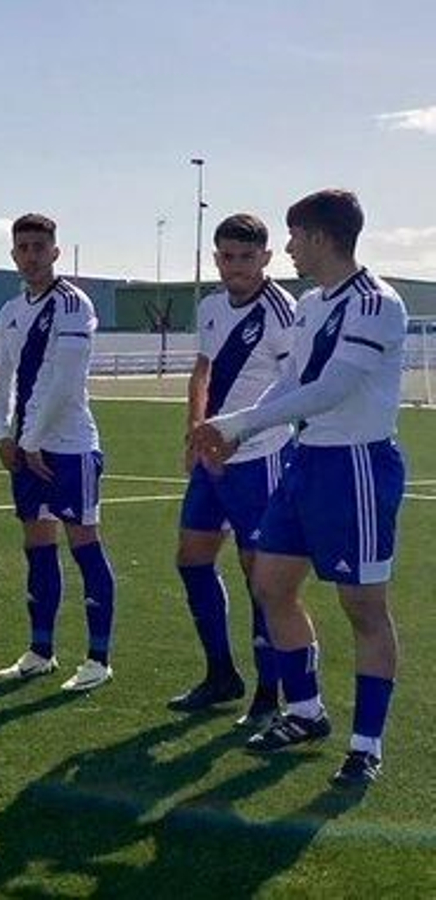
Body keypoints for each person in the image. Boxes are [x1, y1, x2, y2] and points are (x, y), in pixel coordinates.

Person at [192, 189, 407, 788]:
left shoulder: (375, 304)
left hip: (357, 467)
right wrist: (237, 431)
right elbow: (289, 381)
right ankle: (306, 711)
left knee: (363, 608)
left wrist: (238, 425)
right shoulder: (312, 304)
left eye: (292, 236)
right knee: (272, 583)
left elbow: (331, 390)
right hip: (305, 462)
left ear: (319, 237)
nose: (286, 248)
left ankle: (366, 744)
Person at [170, 213, 296, 726]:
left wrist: (235, 434)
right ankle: (222, 674)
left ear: (266, 258)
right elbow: (203, 370)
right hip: (212, 458)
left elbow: (291, 388)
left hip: (257, 457)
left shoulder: (283, 313)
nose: (236, 267)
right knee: (192, 559)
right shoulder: (211, 306)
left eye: (246, 257)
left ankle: (271, 694)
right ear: (215, 257)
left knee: (261, 578)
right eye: (227, 256)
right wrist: (196, 431)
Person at [0, 213, 117, 693]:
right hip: (27, 447)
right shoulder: (10, 310)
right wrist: (3, 434)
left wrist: (31, 438)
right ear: (13, 253)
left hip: (68, 447)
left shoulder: (72, 305)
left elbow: (65, 380)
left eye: (39, 246)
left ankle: (98, 659)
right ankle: (40, 651)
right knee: (38, 548)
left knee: (85, 547)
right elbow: (3, 377)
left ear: (55, 252)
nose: (31, 255)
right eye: (22, 247)